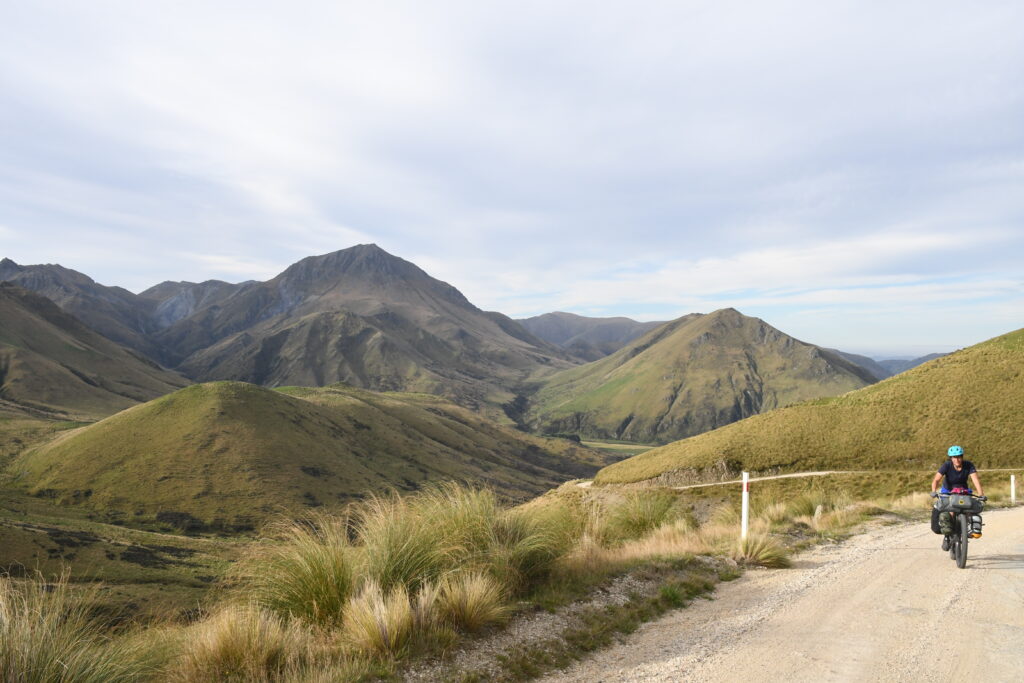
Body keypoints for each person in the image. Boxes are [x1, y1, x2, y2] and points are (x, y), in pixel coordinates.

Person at [930, 445, 985, 548]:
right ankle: (947, 536)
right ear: (951, 458)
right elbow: (936, 480)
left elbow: (975, 480)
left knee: (969, 508)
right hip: (948, 491)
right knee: (950, 510)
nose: (957, 459)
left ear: (962, 457)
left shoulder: (968, 465)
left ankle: (965, 528)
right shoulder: (947, 465)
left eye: (959, 456)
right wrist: (933, 491)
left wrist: (981, 494)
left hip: (963, 491)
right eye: (954, 457)